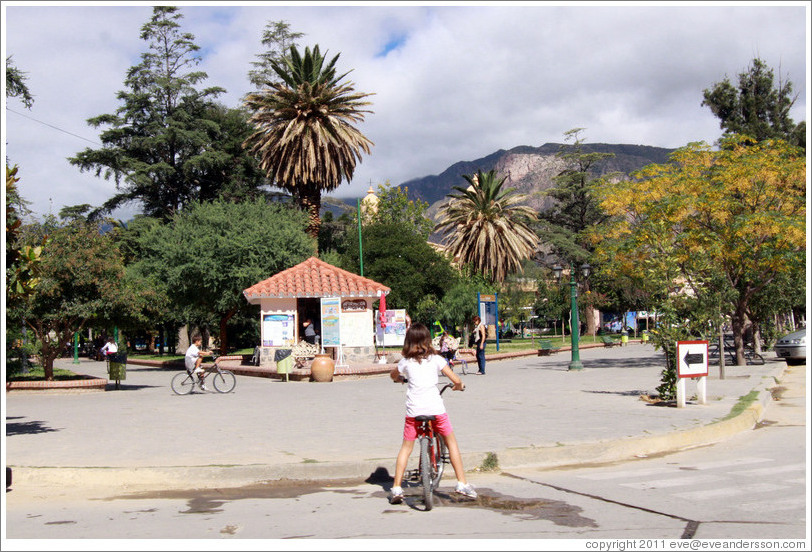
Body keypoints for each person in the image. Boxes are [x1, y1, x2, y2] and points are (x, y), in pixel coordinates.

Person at [388, 323, 477, 504]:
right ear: (428, 340)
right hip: (436, 411)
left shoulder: (405, 362)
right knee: (451, 443)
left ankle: (397, 488)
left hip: (414, 413)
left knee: (406, 448)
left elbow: (393, 375)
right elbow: (455, 379)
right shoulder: (436, 360)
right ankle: (462, 483)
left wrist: (400, 379)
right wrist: (458, 386)